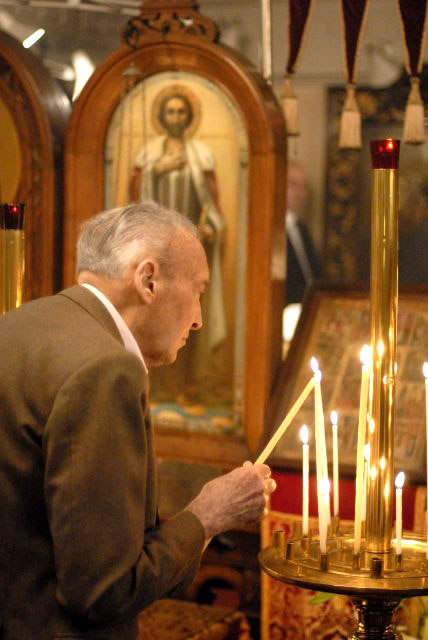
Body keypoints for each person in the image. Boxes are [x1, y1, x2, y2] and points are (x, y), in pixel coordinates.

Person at [0, 201, 276, 639]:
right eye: (199, 290)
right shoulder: (105, 370)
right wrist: (208, 514)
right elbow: (103, 591)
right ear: (149, 280)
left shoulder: (15, 326)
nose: (199, 320)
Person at [285, 162, 321, 304]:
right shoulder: (272, 231)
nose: (300, 193)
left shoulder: (302, 229)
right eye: (293, 184)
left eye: (303, 186)